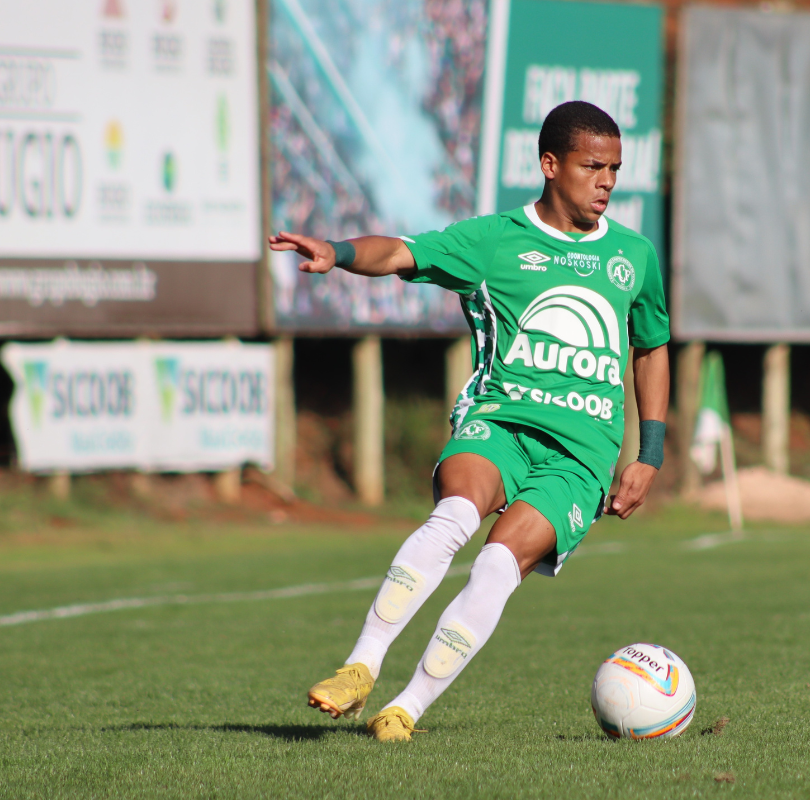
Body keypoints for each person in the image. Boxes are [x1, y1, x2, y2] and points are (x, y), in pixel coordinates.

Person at [269, 101, 670, 741]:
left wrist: (647, 455)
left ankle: (408, 707)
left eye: (615, 168)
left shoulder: (634, 255)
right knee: (456, 512)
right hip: (499, 425)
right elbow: (401, 252)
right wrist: (338, 251)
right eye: (592, 166)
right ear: (549, 165)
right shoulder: (493, 242)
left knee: (494, 567)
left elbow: (650, 347)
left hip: (581, 460)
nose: (607, 182)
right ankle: (360, 665)